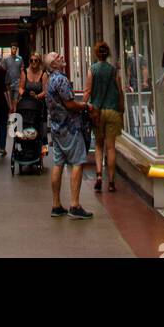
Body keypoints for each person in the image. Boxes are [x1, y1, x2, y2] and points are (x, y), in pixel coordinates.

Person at [44, 51, 93, 219]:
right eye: (58, 57)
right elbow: (70, 104)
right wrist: (85, 106)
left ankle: (56, 204)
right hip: (70, 127)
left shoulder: (50, 80)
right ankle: (74, 204)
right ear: (53, 65)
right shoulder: (61, 80)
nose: (62, 57)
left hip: (57, 127)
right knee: (78, 162)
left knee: (58, 163)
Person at [84, 40, 125, 192]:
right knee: (111, 147)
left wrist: (83, 105)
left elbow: (88, 90)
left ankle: (99, 175)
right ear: (107, 54)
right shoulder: (113, 70)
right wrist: (122, 107)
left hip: (97, 112)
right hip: (113, 111)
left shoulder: (92, 69)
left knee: (99, 145)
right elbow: (119, 90)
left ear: (96, 53)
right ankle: (112, 182)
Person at [19, 50, 48, 143]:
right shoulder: (24, 72)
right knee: (25, 123)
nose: (33, 62)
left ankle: (43, 145)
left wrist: (37, 96)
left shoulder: (43, 74)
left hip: (39, 104)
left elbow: (45, 91)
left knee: (41, 126)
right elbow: (20, 88)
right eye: (31, 60)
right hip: (27, 103)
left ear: (39, 62)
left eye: (36, 60)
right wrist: (25, 93)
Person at [2, 44, 24, 111]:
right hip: (8, 81)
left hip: (18, 81)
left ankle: (15, 111)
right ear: (10, 49)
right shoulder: (6, 59)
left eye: (15, 49)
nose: (14, 50)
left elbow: (22, 69)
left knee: (16, 98)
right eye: (13, 48)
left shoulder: (20, 58)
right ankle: (11, 111)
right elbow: (3, 70)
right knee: (9, 98)